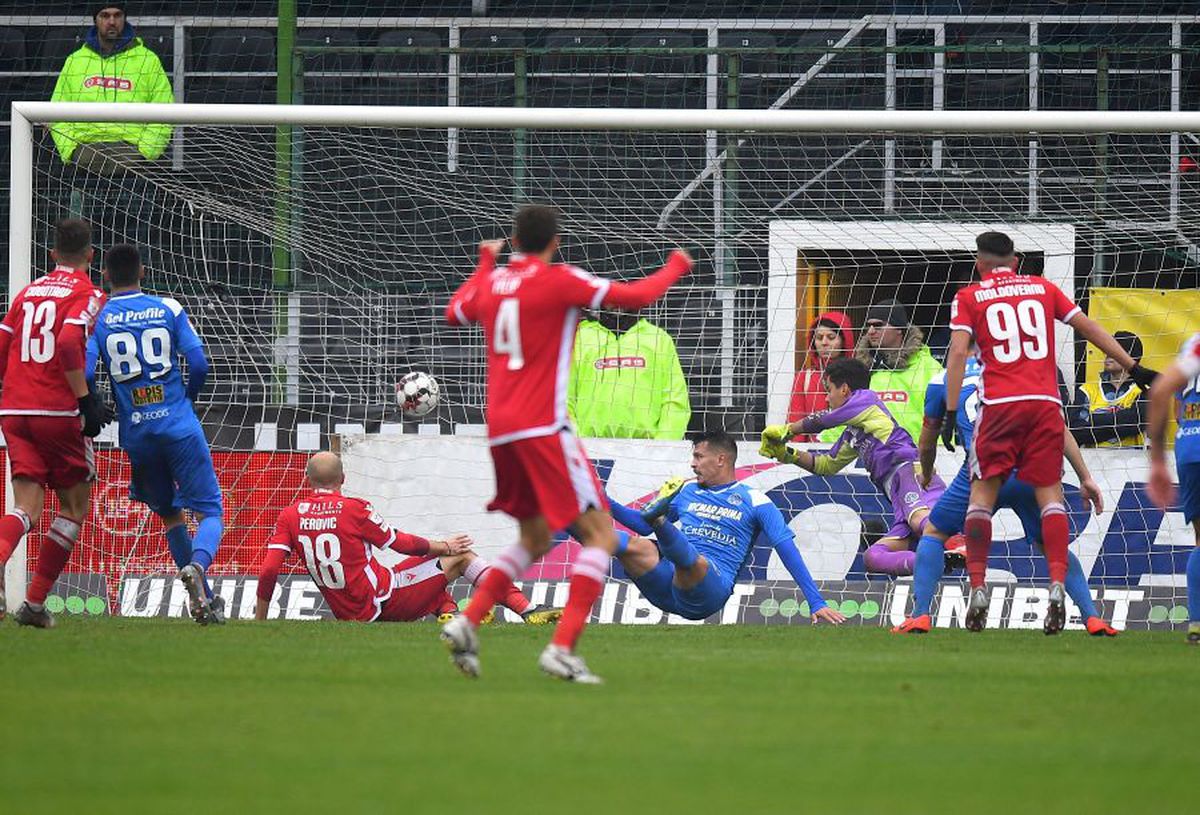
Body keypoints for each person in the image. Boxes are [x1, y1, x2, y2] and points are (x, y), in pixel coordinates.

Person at [441, 204, 691, 683]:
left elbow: (456, 311)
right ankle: (561, 647)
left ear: (514, 239)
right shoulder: (559, 280)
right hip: (543, 428)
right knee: (599, 535)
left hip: (501, 432)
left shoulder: (492, 283)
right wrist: (675, 267)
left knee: (534, 539)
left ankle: (467, 620)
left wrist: (482, 263)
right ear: (555, 242)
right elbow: (635, 298)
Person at [942, 230, 1157, 634]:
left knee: (981, 497)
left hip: (1000, 406)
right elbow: (1090, 328)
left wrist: (954, 410)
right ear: (1017, 260)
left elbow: (957, 353)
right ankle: (1057, 584)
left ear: (979, 263)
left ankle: (977, 587)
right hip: (1045, 403)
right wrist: (1134, 367)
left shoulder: (969, 297)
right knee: (1050, 498)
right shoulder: (1043, 289)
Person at [893, 351, 1119, 635]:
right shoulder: (1018, 371)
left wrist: (925, 473)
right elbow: (1057, 427)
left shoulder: (942, 380)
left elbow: (926, 443)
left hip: (982, 468)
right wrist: (1085, 477)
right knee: (1052, 546)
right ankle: (1092, 618)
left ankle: (921, 615)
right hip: (1028, 467)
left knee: (935, 533)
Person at [85, 244, 225, 624]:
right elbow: (198, 363)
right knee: (210, 509)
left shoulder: (97, 316)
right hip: (178, 424)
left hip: (137, 433)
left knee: (170, 514)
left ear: (106, 277)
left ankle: (203, 602)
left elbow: (83, 374)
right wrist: (187, 400)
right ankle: (198, 567)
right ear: (143, 272)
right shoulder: (169, 308)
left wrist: (94, 403)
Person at [255, 453, 554, 624]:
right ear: (343, 479)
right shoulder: (354, 509)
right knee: (460, 558)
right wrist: (445, 546)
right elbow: (399, 543)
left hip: (348, 610)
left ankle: (450, 615)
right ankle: (527, 611)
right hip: (384, 601)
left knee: (426, 571)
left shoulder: (290, 515)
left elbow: (269, 570)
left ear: (308, 480)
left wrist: (260, 622)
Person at [605, 431, 844, 624]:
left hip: (707, 591)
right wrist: (603, 500)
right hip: (665, 586)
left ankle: (660, 522)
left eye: (699, 457)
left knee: (694, 561)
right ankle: (572, 513)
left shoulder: (756, 501)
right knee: (627, 543)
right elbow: (641, 525)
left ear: (721, 459)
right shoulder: (688, 491)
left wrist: (816, 601)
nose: (693, 464)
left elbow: (787, 550)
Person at [0, 219, 108, 628]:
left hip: (14, 409)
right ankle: (33, 603)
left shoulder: (26, 293)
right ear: (90, 255)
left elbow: (3, 342)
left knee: (26, 507)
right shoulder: (89, 293)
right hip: (57, 412)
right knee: (73, 506)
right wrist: (86, 399)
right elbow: (66, 342)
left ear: (51, 254)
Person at [759, 357, 956, 577]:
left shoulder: (867, 400)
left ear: (844, 389)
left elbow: (827, 419)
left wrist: (788, 430)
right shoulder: (852, 432)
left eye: (829, 389)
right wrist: (787, 454)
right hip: (898, 498)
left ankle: (962, 544)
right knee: (873, 556)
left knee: (920, 521)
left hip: (912, 473)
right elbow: (825, 465)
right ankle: (935, 562)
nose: (826, 397)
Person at [50, 3, 174, 171]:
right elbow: (56, 113)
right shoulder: (75, 61)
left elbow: (164, 112)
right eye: (105, 15)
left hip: (133, 163)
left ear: (124, 18)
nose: (112, 21)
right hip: (84, 159)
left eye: (117, 15)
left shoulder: (148, 60)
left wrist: (144, 153)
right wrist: (72, 151)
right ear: (95, 19)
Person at [1145, 332, 1200, 645]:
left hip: (1189, 446)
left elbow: (1168, 398)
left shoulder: (1194, 342)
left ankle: (1196, 623)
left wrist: (1157, 463)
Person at [568, 309, 691, 439]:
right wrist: (576, 444)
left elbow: (675, 400)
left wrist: (661, 449)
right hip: (590, 450)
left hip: (647, 450)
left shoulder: (658, 339)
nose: (619, 299)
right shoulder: (579, 339)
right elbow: (563, 398)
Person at [854, 299, 943, 444]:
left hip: (919, 457)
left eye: (878, 325)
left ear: (899, 329)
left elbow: (940, 419)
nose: (870, 331)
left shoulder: (930, 368)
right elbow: (846, 414)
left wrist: (936, 456)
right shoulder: (861, 369)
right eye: (868, 326)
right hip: (870, 460)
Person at [1068, 330, 1147, 447]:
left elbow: (1136, 423)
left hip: (1133, 462)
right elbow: (1075, 432)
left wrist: (1094, 420)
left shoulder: (1144, 389)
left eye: (1115, 349)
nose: (1108, 352)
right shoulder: (1087, 390)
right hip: (1091, 462)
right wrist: (1120, 422)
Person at [786, 310, 854, 442]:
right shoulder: (805, 377)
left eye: (831, 337)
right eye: (819, 337)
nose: (824, 343)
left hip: (852, 452)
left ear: (844, 341)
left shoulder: (857, 374)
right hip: (814, 454)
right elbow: (795, 422)